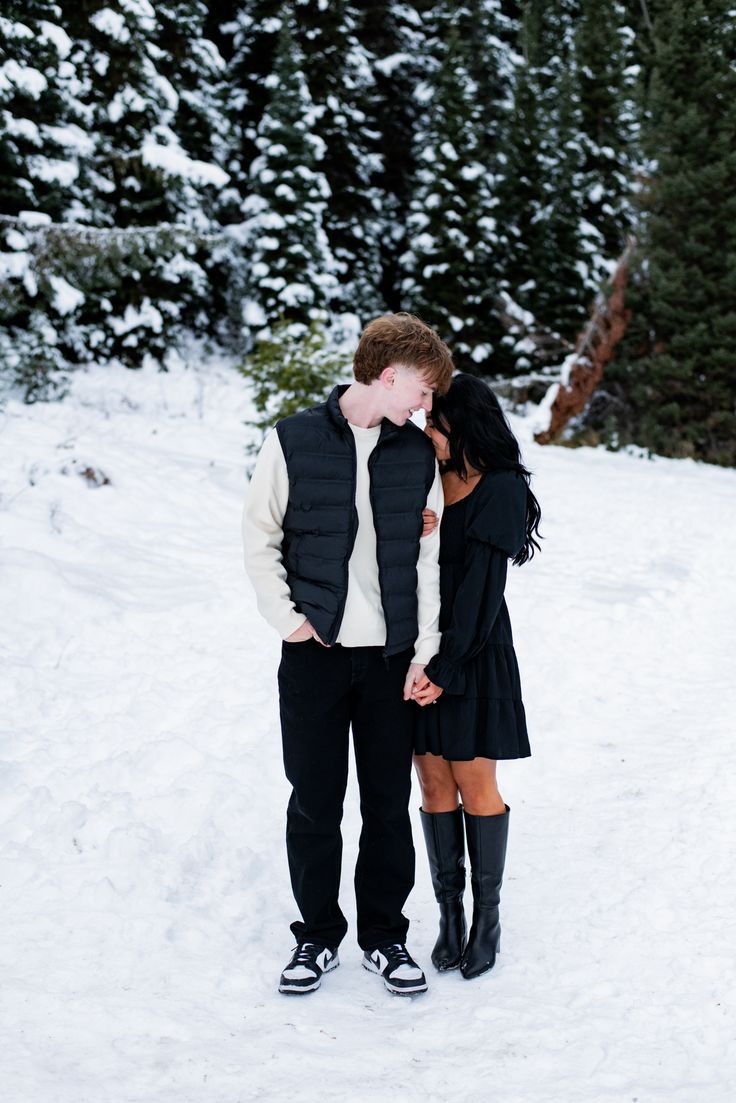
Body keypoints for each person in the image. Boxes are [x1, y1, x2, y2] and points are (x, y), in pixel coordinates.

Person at [242, 313, 454, 996]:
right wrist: (291, 622)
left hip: (390, 660)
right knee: (314, 799)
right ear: (388, 375)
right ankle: (317, 934)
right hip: (315, 656)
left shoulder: (414, 453)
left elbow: (428, 560)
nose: (425, 406)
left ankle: (385, 936)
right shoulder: (294, 438)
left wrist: (425, 650)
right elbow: (259, 535)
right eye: (421, 391)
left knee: (388, 802)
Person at [411, 373, 542, 980]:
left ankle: (487, 919)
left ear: (465, 424)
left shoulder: (503, 488)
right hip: (424, 650)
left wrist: (445, 668)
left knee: (473, 784)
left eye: (437, 421)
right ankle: (449, 916)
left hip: (473, 651)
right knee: (434, 786)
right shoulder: (431, 476)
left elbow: (482, 593)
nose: (428, 428)